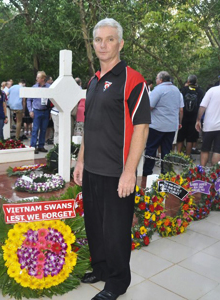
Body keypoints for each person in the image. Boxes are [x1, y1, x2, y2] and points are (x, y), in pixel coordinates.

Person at [73, 18, 150, 300]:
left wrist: (130, 172)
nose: (103, 45)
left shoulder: (133, 79)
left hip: (118, 171)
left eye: (109, 39)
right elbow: (89, 126)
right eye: (98, 40)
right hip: (92, 169)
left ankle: (117, 282)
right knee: (95, 224)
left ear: (121, 43)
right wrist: (80, 161)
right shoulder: (93, 81)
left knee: (116, 230)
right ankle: (101, 268)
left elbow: (141, 128)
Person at [141, 71, 182, 187]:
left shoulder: (158, 90)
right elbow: (180, 108)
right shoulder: (176, 90)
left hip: (157, 125)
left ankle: (147, 173)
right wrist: (179, 122)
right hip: (171, 126)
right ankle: (166, 174)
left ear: (160, 80)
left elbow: (149, 106)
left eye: (156, 78)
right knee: (167, 151)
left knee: (151, 149)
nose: (155, 80)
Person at [177, 75, 204, 156]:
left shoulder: (183, 90)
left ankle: (178, 156)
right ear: (196, 82)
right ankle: (187, 157)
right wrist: (199, 119)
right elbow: (201, 105)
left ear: (188, 81)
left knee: (180, 138)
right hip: (194, 118)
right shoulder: (200, 91)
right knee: (190, 139)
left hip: (183, 117)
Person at [27, 71, 50, 154]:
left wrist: (50, 111)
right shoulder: (34, 87)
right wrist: (30, 110)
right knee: (35, 129)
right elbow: (29, 100)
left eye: (38, 77)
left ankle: (41, 146)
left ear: (43, 79)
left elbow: (52, 100)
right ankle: (33, 146)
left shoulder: (49, 87)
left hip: (46, 110)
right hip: (36, 111)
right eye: (37, 77)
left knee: (43, 129)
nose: (37, 79)